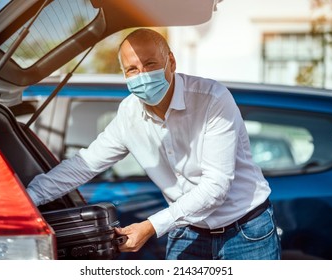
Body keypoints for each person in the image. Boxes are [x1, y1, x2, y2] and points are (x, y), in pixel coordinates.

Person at [27, 28, 281, 260]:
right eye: (132, 69)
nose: (143, 75)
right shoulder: (129, 114)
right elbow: (84, 165)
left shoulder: (212, 99)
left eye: (150, 64)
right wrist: (27, 198)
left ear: (171, 61)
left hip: (246, 231)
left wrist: (150, 227)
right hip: (188, 230)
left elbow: (216, 186)